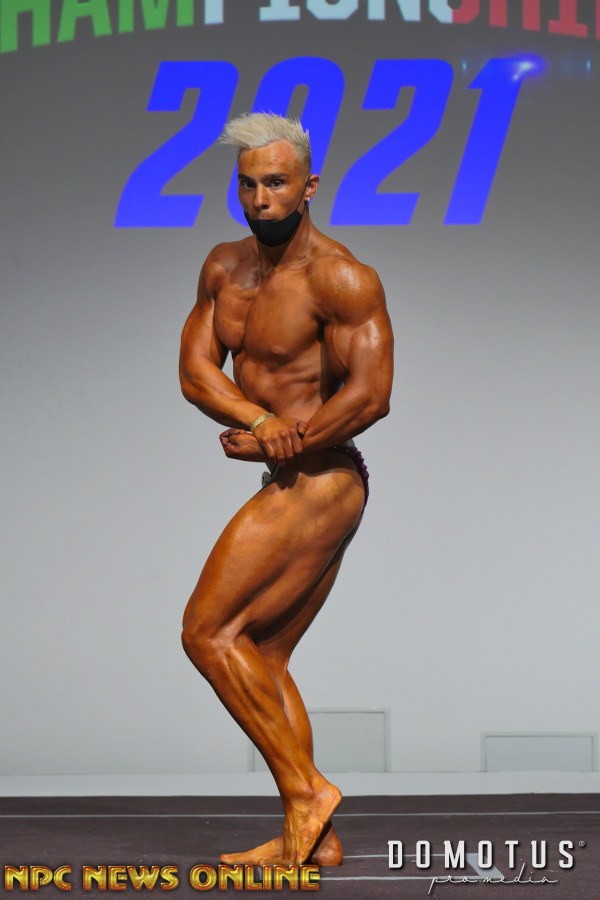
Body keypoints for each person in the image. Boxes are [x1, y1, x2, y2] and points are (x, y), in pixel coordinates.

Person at [179, 113, 394, 867]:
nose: (261, 198)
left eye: (276, 183)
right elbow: (196, 371)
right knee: (263, 654)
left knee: (208, 633)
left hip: (325, 476)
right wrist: (261, 421)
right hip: (292, 466)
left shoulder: (341, 276)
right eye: (248, 184)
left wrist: (289, 439)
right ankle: (317, 838)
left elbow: (371, 394)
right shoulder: (223, 268)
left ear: (309, 186)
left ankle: (307, 793)